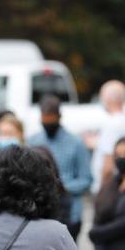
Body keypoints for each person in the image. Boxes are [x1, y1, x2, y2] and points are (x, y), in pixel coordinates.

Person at [28, 94, 92, 241]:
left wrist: (61, 188)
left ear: (59, 117)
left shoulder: (76, 143)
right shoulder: (33, 141)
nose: (47, 123)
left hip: (70, 214)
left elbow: (87, 179)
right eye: (45, 119)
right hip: (40, 214)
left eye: (51, 118)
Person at [90, 80, 125, 193]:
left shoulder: (112, 124)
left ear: (108, 99)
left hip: (110, 189)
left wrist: (103, 191)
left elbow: (108, 163)